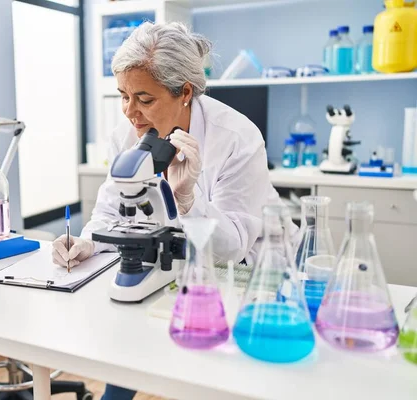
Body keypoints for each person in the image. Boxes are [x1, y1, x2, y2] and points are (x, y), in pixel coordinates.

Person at [51, 21, 297, 399]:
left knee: (221, 376)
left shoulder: (236, 137)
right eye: (123, 96)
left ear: (184, 92)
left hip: (249, 271)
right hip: (175, 260)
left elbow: (233, 248)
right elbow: (111, 207)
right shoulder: (127, 134)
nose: (130, 112)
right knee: (129, 344)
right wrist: (86, 242)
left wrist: (187, 199)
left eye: (144, 99)